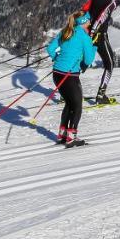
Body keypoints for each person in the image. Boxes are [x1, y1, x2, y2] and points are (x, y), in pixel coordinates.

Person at [45, 10, 98, 147]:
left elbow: (50, 49)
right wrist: (94, 47)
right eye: (88, 21)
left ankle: (62, 134)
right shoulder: (84, 37)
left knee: (69, 103)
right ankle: (71, 136)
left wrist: (58, 59)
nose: (90, 23)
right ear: (82, 22)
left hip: (57, 73)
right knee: (77, 105)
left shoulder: (66, 31)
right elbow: (88, 59)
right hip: (70, 75)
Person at [82, 0, 120, 104]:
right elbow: (104, 14)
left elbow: (86, 8)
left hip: (88, 32)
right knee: (110, 64)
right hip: (99, 35)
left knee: (81, 63)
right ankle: (101, 96)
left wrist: (86, 29)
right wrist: (94, 32)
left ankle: (65, 92)